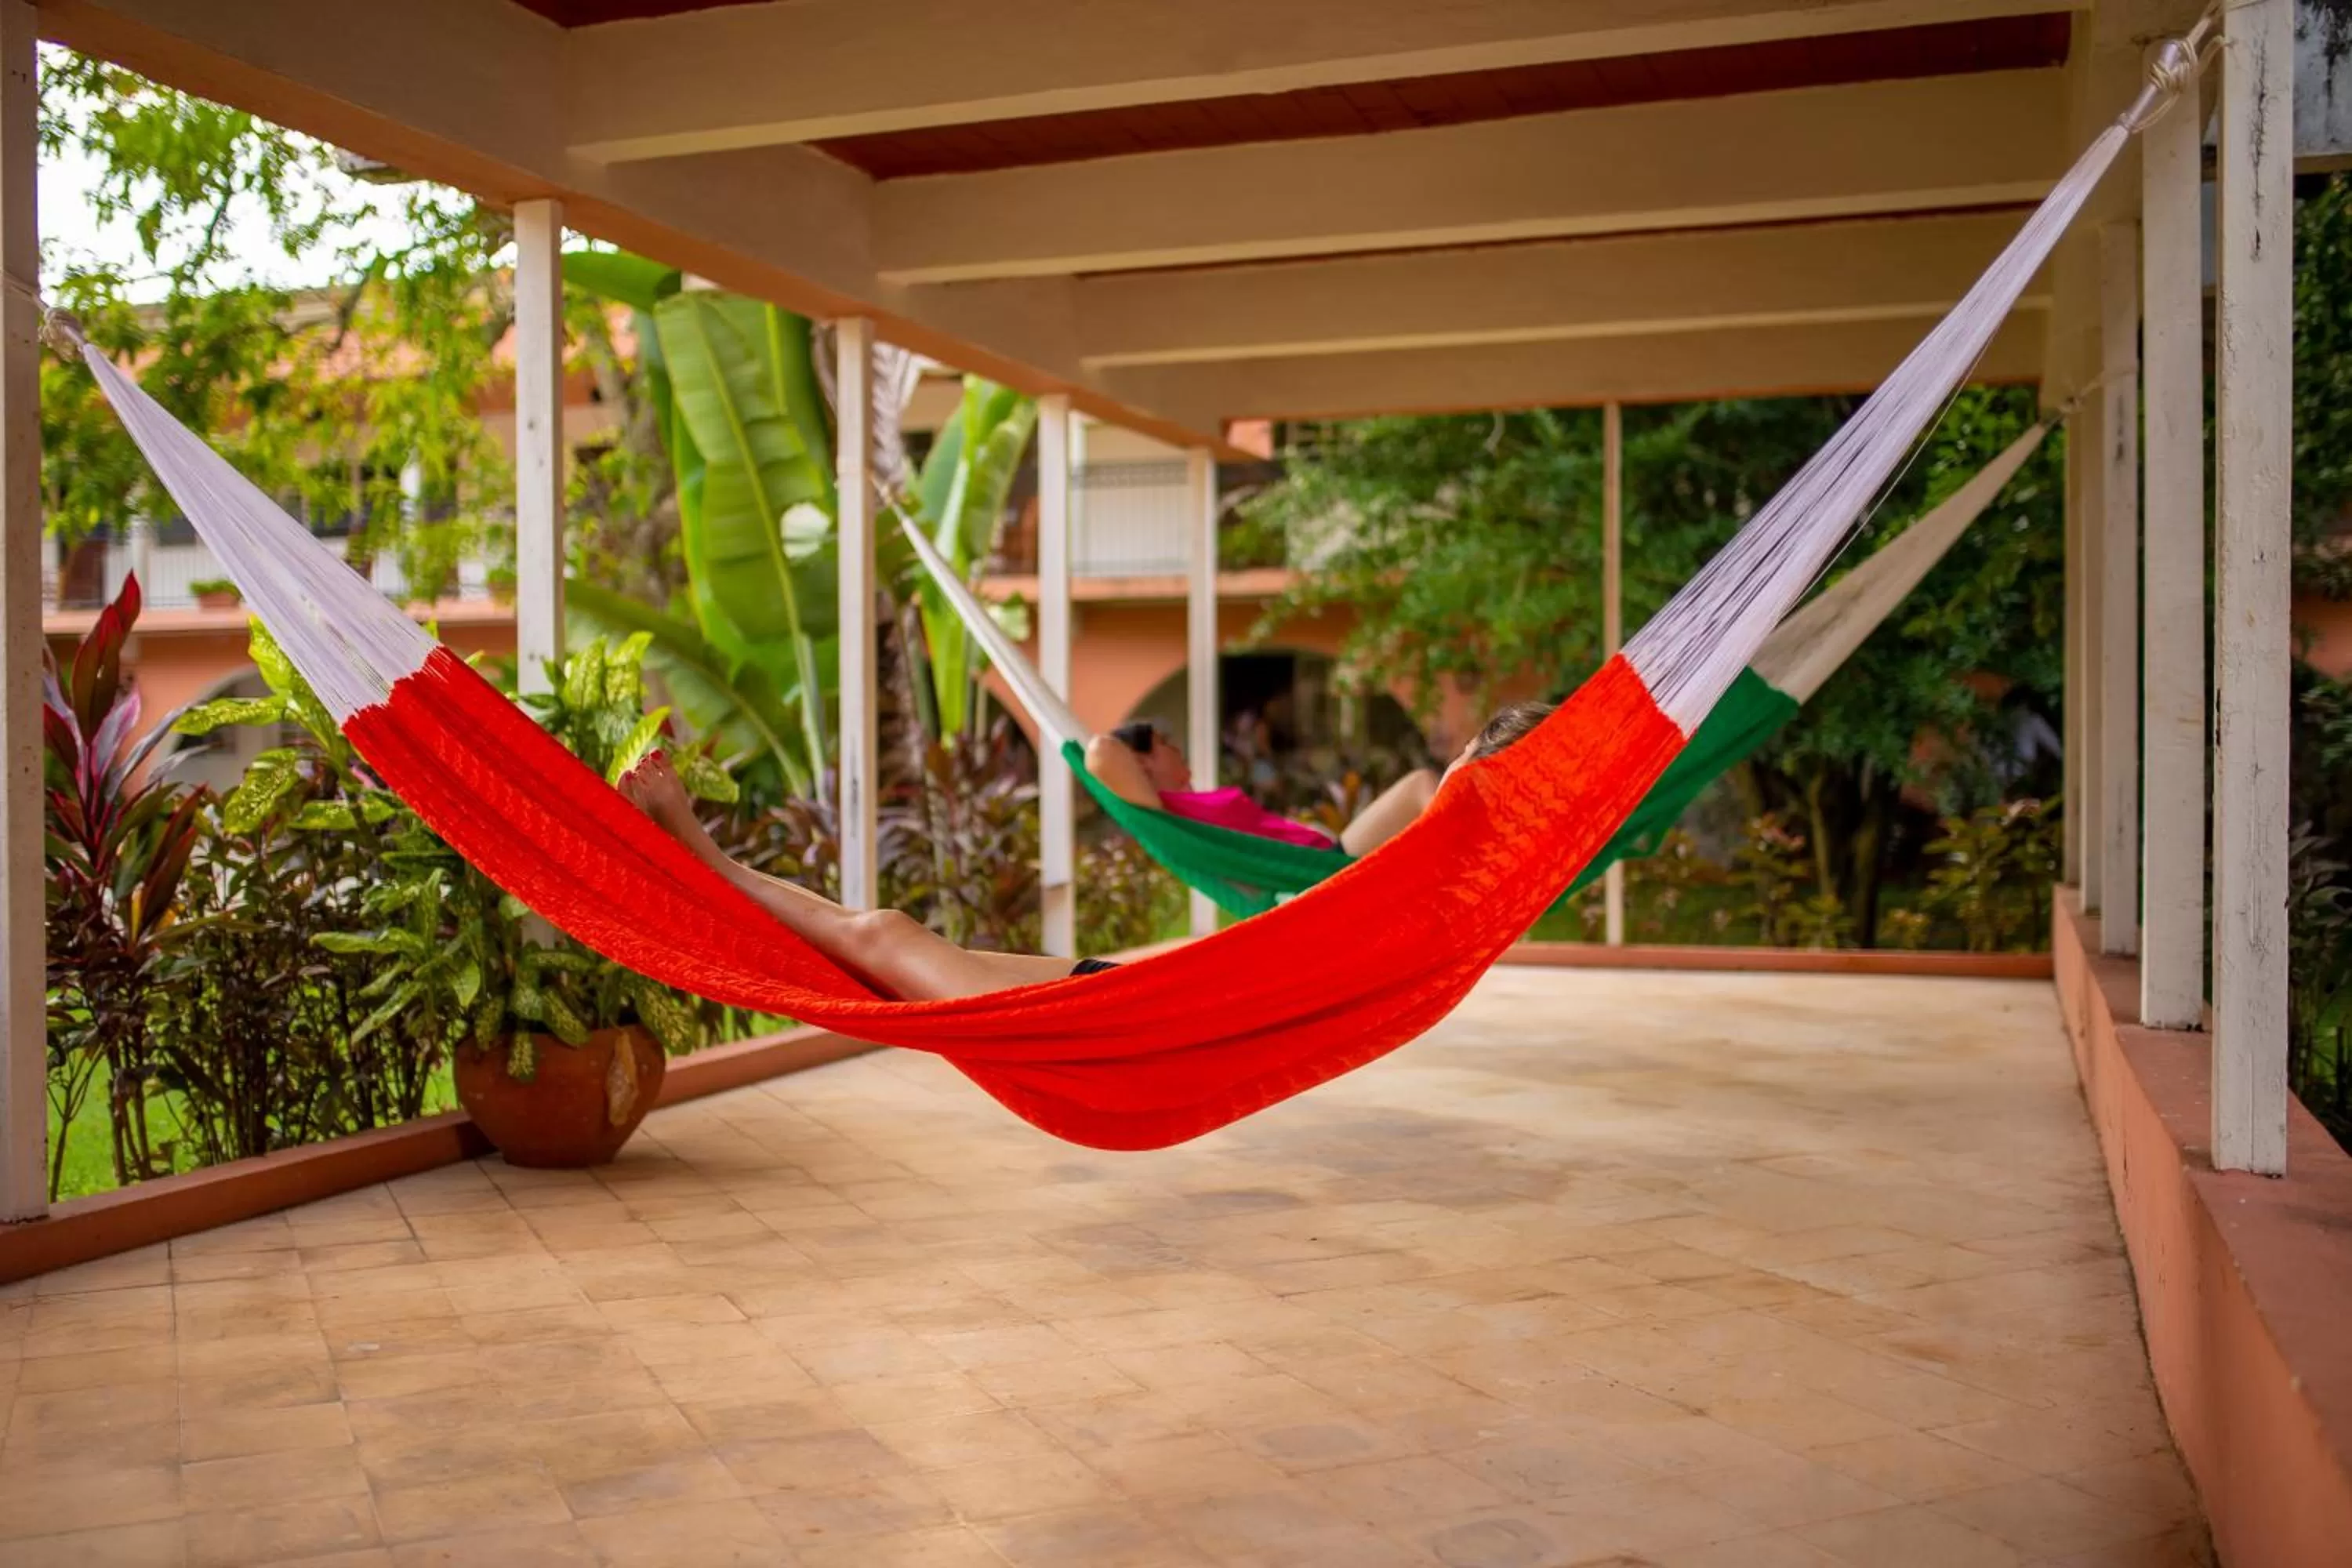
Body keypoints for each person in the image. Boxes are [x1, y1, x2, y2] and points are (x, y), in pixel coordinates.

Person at [619, 699, 1556, 1002]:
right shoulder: (1436, 873)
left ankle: (696, 854)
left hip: (1165, 1009)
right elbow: (1106, 752)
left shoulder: (1431, 875)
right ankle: (698, 857)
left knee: (880, 942)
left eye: (1471, 756)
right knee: (879, 942)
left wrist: (1482, 780)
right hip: (1156, 995)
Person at [1084, 700, 1552, 857]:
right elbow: (1100, 752)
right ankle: (1467, 830)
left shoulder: (1184, 809)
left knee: (1433, 778)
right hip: (1323, 864)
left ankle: (1481, 808)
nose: (1177, 751)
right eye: (1166, 745)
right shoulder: (1163, 812)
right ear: (1142, 761)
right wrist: (1128, 748)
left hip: (1320, 854)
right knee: (1420, 782)